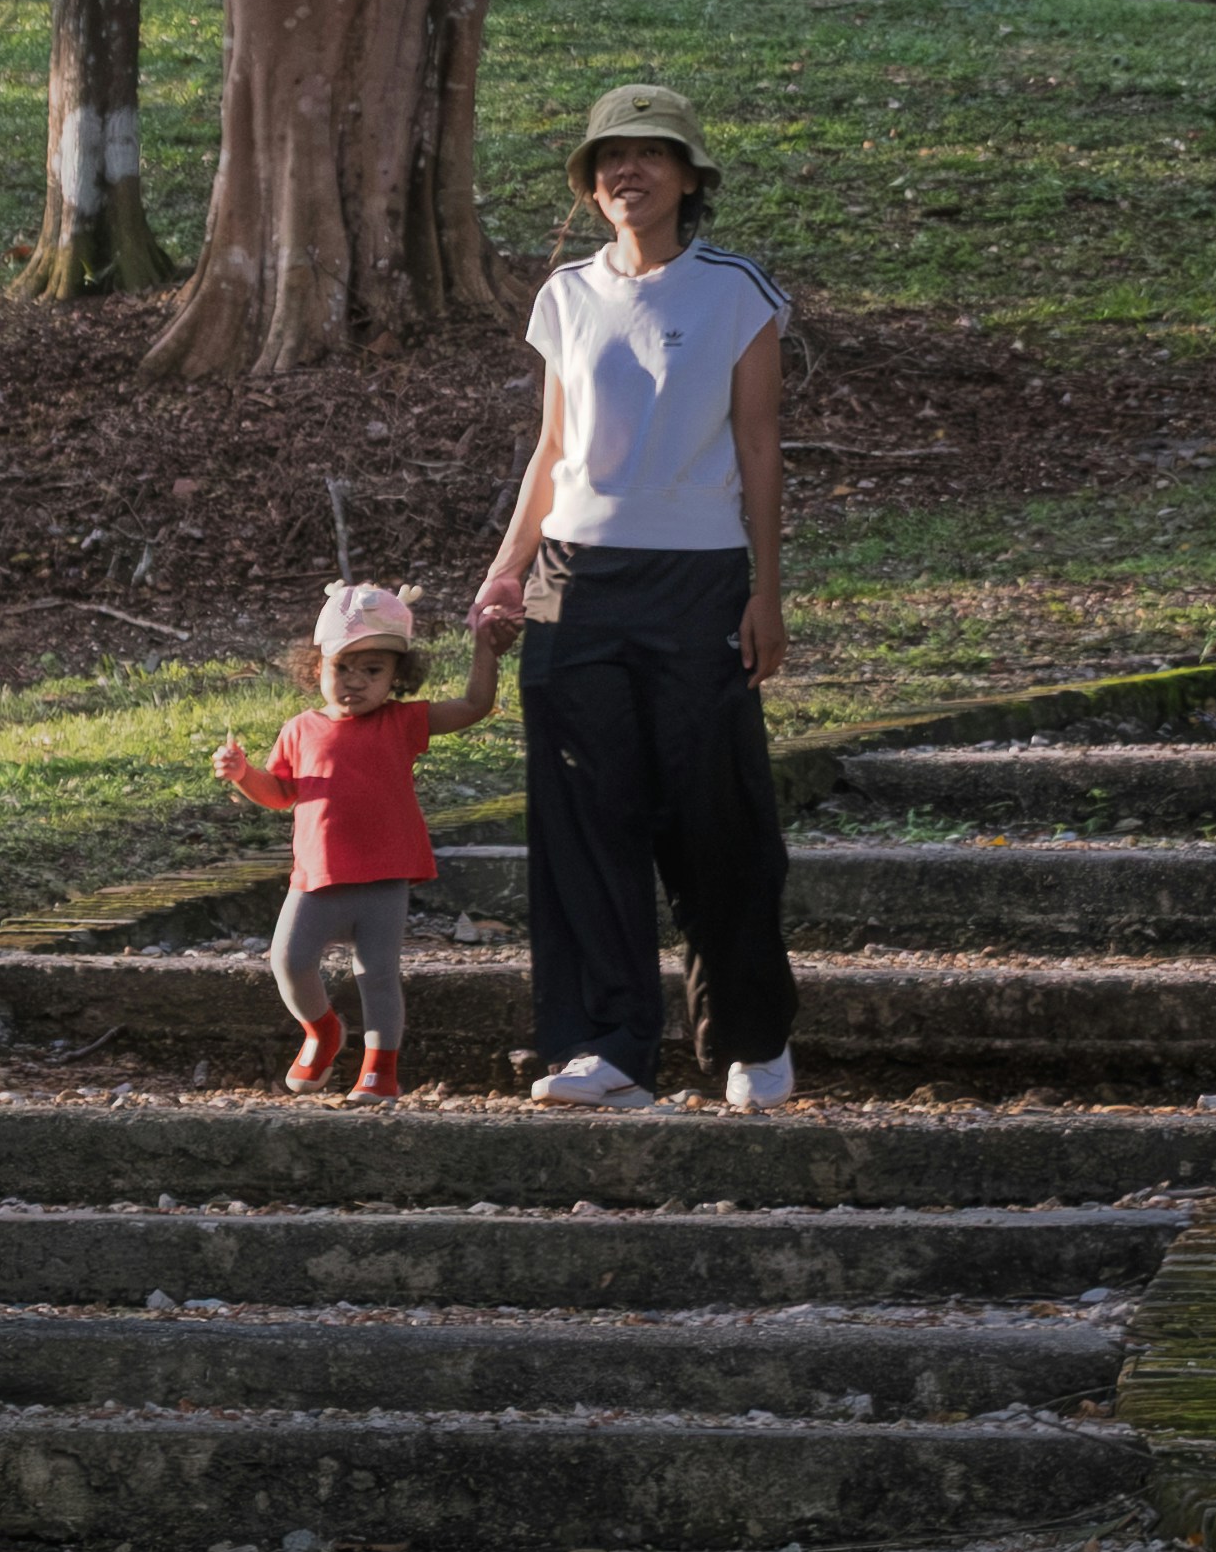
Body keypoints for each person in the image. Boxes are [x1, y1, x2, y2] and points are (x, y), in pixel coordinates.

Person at [471, 75, 803, 1113]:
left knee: (717, 814)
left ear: (688, 176)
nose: (629, 170)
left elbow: (759, 446)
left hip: (698, 579)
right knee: (582, 818)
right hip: (575, 581)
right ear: (590, 180)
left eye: (651, 153)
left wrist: (766, 591)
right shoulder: (566, 295)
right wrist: (508, 565)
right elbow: (554, 447)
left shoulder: (735, 290)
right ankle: (605, 1042)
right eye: (611, 156)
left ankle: (748, 1039)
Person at [210, 581, 490, 1106]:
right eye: (343, 667)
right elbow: (280, 794)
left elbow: (475, 705)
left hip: (384, 876)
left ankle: (380, 1070)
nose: (356, 682)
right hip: (317, 878)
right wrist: (243, 773)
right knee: (289, 962)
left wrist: (485, 647)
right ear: (315, 667)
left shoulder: (402, 723)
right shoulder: (300, 729)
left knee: (377, 974)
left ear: (397, 678)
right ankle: (322, 1031)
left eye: (374, 670)